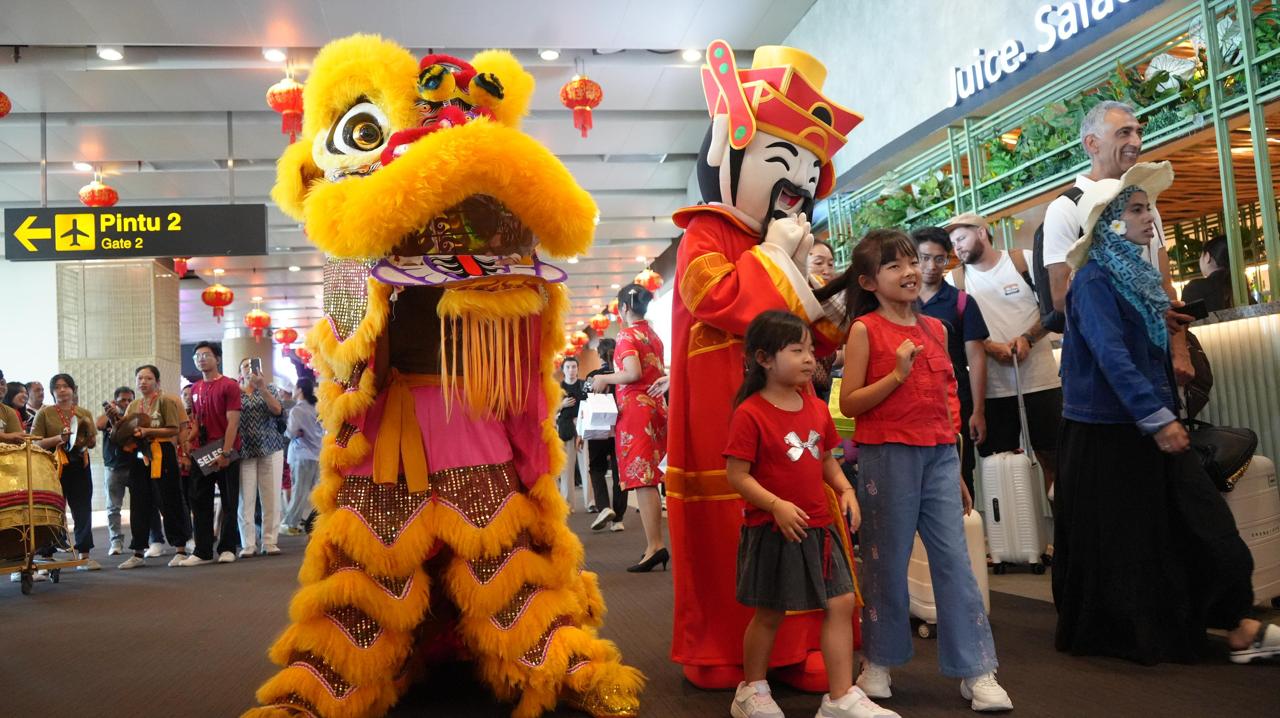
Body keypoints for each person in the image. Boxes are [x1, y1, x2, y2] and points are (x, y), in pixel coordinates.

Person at [1054, 161, 1280, 665]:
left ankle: (1235, 621)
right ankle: (1197, 628)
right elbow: (1110, 356)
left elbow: (1125, 342)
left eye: (1146, 206)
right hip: (1110, 430)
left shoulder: (1132, 276)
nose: (1148, 216)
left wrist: (1161, 321)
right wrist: (1158, 418)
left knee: (1196, 519)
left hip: (1144, 419)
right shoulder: (1092, 280)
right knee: (1137, 534)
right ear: (1110, 221)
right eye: (1136, 209)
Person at [837, 229, 1012, 712]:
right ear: (870, 281)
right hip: (885, 455)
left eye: (911, 261)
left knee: (955, 562)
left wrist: (954, 470)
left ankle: (977, 669)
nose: (910, 271)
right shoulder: (864, 330)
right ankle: (878, 661)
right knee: (885, 562)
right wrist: (895, 375)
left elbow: (946, 405)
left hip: (938, 456)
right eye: (894, 266)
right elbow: (850, 403)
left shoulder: (938, 329)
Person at [725, 310, 894, 718]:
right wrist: (775, 505)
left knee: (840, 604)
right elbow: (737, 475)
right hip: (773, 528)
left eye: (810, 350)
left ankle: (839, 697)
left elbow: (825, 459)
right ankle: (752, 690)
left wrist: (846, 489)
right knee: (770, 611)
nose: (808, 358)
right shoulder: (750, 413)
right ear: (764, 358)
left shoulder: (815, 405)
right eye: (796, 350)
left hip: (820, 526)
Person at [1041, 100, 1195, 385]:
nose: (1135, 141)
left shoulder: (1145, 203)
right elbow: (1063, 299)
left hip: (1155, 355)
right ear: (1092, 143)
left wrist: (1179, 352)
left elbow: (1165, 284)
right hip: (1103, 366)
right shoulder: (1065, 208)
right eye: (1123, 133)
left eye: (1138, 132)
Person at [948, 213, 1060, 496]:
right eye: (952, 243)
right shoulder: (955, 280)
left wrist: (1028, 338)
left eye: (961, 238)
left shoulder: (1023, 260)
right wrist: (989, 346)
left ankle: (1064, 534)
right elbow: (956, 331)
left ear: (982, 232)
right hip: (992, 392)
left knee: (1056, 461)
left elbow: (1054, 311)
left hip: (1042, 382)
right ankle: (1016, 534)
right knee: (1001, 468)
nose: (956, 248)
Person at [591, 284, 669, 573]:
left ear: (623, 308)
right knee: (652, 474)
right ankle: (654, 543)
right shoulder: (653, 334)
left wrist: (606, 379)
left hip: (636, 411)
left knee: (643, 478)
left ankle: (655, 545)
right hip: (657, 407)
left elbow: (633, 373)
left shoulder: (626, 334)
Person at [912, 227, 990, 497]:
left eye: (939, 259)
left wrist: (977, 410)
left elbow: (976, 358)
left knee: (959, 473)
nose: (931, 266)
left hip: (954, 402)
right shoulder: (898, 302)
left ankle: (966, 536)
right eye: (923, 258)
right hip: (910, 405)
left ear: (949, 260)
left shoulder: (961, 302)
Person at [117, 365, 193, 569]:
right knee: (139, 502)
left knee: (170, 500)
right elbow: (126, 431)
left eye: (148, 378)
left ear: (157, 382)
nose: (143, 382)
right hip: (140, 456)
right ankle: (138, 552)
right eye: (140, 378)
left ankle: (180, 548)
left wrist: (148, 431)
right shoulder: (133, 405)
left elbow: (173, 429)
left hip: (163, 453)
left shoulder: (166, 400)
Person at [179, 341, 242, 566]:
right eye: (197, 356)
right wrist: (187, 442)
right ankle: (202, 551)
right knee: (199, 500)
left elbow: (233, 422)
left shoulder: (229, 385)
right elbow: (196, 423)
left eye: (206, 355)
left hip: (225, 449)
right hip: (202, 452)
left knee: (228, 500)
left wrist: (225, 453)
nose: (201, 359)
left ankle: (227, 547)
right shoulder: (195, 389)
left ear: (217, 359)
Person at [31, 373, 100, 570]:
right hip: (53, 468)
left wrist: (86, 440)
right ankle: (47, 555)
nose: (62, 390)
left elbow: (93, 442)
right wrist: (58, 439)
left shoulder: (83, 413)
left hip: (79, 465)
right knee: (52, 510)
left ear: (73, 389)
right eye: (57, 387)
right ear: (52, 391)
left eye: (66, 386)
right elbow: (35, 442)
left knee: (82, 509)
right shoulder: (44, 413)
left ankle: (84, 554)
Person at [96, 385, 159, 557]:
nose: (126, 402)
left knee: (144, 504)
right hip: (113, 466)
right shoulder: (109, 416)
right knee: (113, 507)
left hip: (134, 466)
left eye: (129, 399)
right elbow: (99, 424)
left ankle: (152, 540)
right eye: (122, 400)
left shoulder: (135, 418)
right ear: (115, 401)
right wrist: (112, 413)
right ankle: (116, 542)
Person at [236, 356, 288, 557]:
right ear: (240, 373)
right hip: (245, 450)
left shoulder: (270, 388)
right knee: (245, 498)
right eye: (245, 367)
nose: (250, 369)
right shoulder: (235, 393)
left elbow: (277, 410)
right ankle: (248, 544)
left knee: (271, 497)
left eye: (254, 366)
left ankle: (269, 541)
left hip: (271, 447)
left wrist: (262, 388)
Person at [585, 338, 627, 533]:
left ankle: (604, 507)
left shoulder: (593, 376)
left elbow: (583, 396)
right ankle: (618, 518)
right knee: (620, 473)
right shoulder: (622, 375)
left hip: (598, 428)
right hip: (620, 427)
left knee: (596, 468)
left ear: (599, 354)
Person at [283, 378, 322, 535]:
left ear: (299, 390)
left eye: (294, 387)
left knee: (299, 490)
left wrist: (290, 432)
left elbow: (291, 432)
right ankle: (315, 521)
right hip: (317, 454)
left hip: (301, 454)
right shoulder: (316, 408)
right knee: (316, 491)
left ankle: (290, 523)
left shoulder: (297, 410)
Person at [1180, 233, 1255, 312]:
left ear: (1207, 257)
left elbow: (1187, 322)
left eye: (1201, 256)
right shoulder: (1242, 289)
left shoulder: (1194, 289)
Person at [556, 355, 588, 510]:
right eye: (568, 367)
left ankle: (591, 502)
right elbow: (550, 412)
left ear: (578, 368)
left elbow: (590, 405)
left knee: (586, 465)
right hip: (565, 429)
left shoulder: (584, 386)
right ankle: (568, 504)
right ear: (563, 370)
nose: (571, 370)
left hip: (583, 428)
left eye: (574, 367)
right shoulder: (558, 389)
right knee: (567, 468)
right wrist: (561, 405)